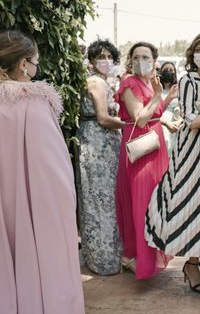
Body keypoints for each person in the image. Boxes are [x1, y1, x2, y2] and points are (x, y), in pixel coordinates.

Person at [0, 30, 84, 313]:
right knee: (41, 262)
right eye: (34, 60)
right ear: (23, 63)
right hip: (35, 207)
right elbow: (54, 171)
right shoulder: (34, 103)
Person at [146, 33, 200, 294]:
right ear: (193, 53)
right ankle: (191, 264)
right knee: (193, 203)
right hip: (192, 152)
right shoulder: (188, 80)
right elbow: (191, 120)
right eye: (199, 49)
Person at [115, 41, 177, 279]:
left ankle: (148, 255)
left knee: (154, 201)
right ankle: (137, 259)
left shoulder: (148, 82)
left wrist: (166, 99)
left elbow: (154, 113)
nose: (142, 61)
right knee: (141, 202)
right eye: (137, 56)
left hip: (155, 145)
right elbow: (140, 118)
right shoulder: (129, 82)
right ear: (130, 60)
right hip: (140, 148)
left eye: (147, 57)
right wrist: (159, 95)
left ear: (154, 61)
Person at [77, 39, 125, 276]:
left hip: (106, 143)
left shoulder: (105, 81)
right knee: (99, 201)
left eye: (109, 57)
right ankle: (102, 259)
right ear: (93, 60)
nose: (105, 61)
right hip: (97, 142)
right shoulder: (96, 82)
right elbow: (104, 118)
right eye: (100, 57)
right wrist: (128, 123)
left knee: (106, 199)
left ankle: (108, 255)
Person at [158, 61, 181, 154]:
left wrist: (179, 121)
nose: (168, 71)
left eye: (171, 70)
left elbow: (184, 108)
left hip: (174, 125)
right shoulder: (156, 88)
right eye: (166, 69)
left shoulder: (178, 88)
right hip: (160, 123)